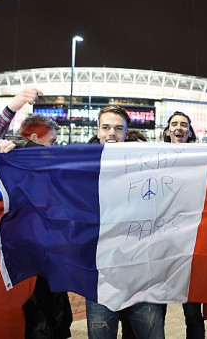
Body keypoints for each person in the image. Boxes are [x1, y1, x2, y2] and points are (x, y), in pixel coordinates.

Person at [0, 87, 72, 339]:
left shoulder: (49, 169)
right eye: (52, 141)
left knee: (52, 321)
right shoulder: (4, 157)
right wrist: (13, 106)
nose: (55, 147)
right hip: (13, 260)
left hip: (45, 259)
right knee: (28, 323)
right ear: (36, 138)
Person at [85, 105, 165, 339]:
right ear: (98, 131)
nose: (112, 133)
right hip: (101, 277)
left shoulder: (146, 165)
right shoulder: (80, 166)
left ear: (126, 133)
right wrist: (14, 147)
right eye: (106, 127)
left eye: (118, 128)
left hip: (142, 273)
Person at [162, 112, 204, 339]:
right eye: (174, 124)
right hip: (160, 245)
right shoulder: (154, 157)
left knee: (192, 312)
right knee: (155, 309)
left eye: (184, 125)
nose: (179, 128)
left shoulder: (199, 158)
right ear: (168, 131)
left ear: (189, 132)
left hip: (189, 247)